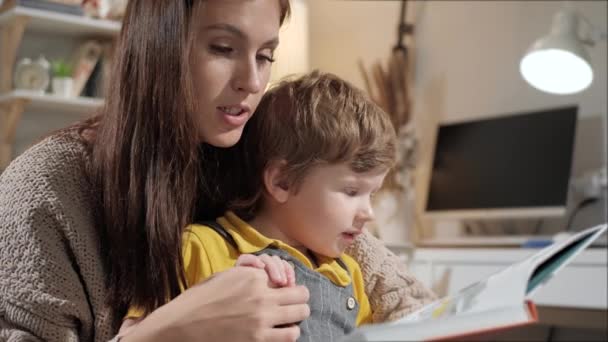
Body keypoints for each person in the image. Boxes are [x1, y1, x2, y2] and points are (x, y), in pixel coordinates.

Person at [0, 1, 436, 342]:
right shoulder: (44, 189)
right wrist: (167, 332)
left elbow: (407, 301)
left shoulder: (267, 159)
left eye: (266, 55)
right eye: (224, 48)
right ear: (158, 47)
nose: (251, 79)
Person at [122, 71, 397, 340]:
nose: (368, 213)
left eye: (371, 195)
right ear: (282, 182)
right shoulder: (201, 247)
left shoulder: (349, 275)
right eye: (351, 191)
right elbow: (143, 333)